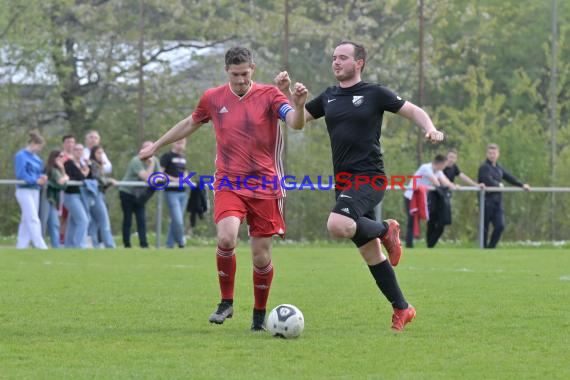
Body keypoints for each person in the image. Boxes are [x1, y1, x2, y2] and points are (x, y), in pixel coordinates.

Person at [275, 40, 445, 332]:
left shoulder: (374, 93)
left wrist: (429, 128)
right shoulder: (328, 96)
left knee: (337, 224)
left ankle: (385, 230)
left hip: (369, 177)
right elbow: (296, 124)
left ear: (359, 63)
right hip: (343, 183)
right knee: (371, 254)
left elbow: (413, 110)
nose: (336, 62)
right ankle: (403, 308)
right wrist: (294, 100)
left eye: (343, 58)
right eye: (334, 58)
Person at [139, 46, 308, 331]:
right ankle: (226, 301)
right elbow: (190, 123)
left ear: (252, 68)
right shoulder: (213, 98)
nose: (240, 80)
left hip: (266, 184)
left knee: (261, 256)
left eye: (244, 74)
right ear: (226, 72)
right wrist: (156, 145)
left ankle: (259, 315)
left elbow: (295, 124)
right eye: (235, 75)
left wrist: (300, 104)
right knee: (227, 239)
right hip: (229, 181)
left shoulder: (269, 95)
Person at [478, 143, 530, 248]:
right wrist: (498, 185)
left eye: (494, 153)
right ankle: (483, 249)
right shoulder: (484, 167)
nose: (492, 155)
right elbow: (487, 180)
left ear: (498, 154)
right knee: (485, 227)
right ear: (487, 154)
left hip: (497, 201)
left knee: (500, 226)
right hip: (486, 201)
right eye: (490, 153)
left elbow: (509, 177)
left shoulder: (499, 167)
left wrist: (522, 185)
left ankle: (491, 247)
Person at [403, 155, 455, 248]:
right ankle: (409, 245)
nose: (445, 167)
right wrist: (447, 186)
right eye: (444, 165)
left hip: (420, 198)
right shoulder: (426, 168)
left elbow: (445, 181)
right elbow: (437, 183)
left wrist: (453, 185)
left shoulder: (438, 171)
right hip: (411, 197)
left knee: (417, 221)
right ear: (440, 164)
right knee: (412, 221)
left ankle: (411, 244)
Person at [119, 141, 161, 249]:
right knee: (128, 218)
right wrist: (151, 165)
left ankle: (144, 244)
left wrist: (154, 173)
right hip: (127, 192)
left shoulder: (155, 160)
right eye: (146, 148)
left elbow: (160, 177)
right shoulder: (136, 160)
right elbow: (147, 178)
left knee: (141, 218)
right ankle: (127, 244)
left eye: (151, 148)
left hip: (140, 195)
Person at [14, 130, 48, 249]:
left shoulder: (38, 159)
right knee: (33, 217)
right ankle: (40, 245)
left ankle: (21, 246)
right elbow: (21, 174)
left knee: (26, 219)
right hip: (24, 190)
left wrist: (42, 177)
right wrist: (35, 180)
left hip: (35, 190)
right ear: (33, 143)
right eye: (39, 146)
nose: (39, 149)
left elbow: (39, 173)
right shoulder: (21, 155)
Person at [160, 138, 189, 248]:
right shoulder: (167, 156)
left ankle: (169, 244)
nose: (180, 145)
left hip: (183, 193)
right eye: (178, 142)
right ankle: (181, 242)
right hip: (171, 192)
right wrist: (174, 180)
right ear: (173, 143)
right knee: (178, 219)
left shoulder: (183, 158)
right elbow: (161, 174)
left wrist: (187, 180)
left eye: (182, 143)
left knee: (176, 220)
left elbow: (185, 173)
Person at [87, 145, 117, 248]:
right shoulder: (93, 164)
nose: (101, 155)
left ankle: (94, 245)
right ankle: (110, 245)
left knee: (94, 222)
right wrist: (110, 181)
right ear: (93, 154)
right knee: (104, 221)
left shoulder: (99, 165)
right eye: (98, 153)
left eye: (102, 153)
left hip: (98, 194)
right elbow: (98, 179)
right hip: (96, 195)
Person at [63, 143, 90, 248]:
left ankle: (69, 246)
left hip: (80, 196)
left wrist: (88, 169)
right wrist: (83, 174)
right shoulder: (68, 164)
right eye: (76, 149)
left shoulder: (84, 165)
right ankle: (80, 245)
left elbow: (90, 177)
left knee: (73, 222)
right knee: (83, 220)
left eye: (81, 150)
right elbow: (73, 178)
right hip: (70, 195)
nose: (79, 152)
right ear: (73, 151)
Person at [46, 150, 69, 248]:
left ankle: (56, 246)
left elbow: (63, 185)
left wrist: (63, 170)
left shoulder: (58, 169)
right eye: (60, 156)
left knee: (54, 223)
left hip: (53, 200)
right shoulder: (52, 169)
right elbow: (60, 182)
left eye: (63, 157)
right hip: (47, 199)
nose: (62, 158)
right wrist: (65, 177)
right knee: (46, 222)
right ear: (54, 158)